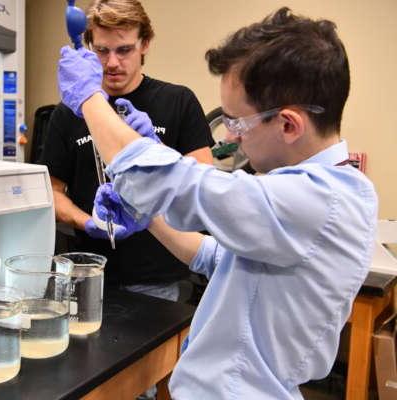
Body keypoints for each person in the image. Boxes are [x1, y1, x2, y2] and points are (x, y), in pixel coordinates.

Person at [57, 7, 378, 400]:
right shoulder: (308, 191)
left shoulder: (321, 199)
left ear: (289, 124)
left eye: (237, 122)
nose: (231, 136)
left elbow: (181, 184)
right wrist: (150, 216)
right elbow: (217, 257)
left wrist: (90, 99)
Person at [41, 0, 214, 301]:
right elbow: (51, 192)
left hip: (157, 278)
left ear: (145, 43)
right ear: (89, 45)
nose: (112, 63)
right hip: (89, 273)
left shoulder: (178, 101)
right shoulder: (69, 111)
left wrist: (155, 150)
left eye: (124, 50)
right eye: (102, 51)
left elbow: (204, 186)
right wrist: (87, 222)